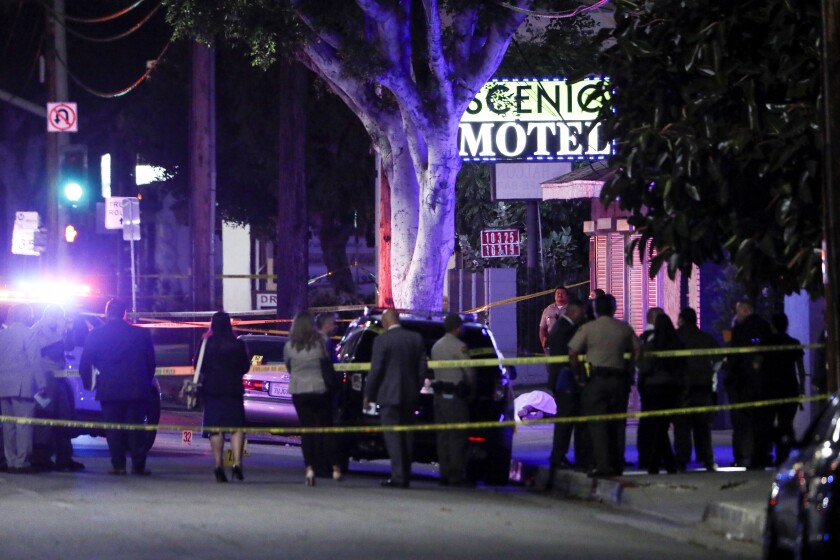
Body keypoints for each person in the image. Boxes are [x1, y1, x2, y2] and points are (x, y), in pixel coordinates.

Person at [79, 299, 156, 476]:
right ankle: (138, 466)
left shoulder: (95, 335)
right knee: (136, 429)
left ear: (106, 313)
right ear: (125, 313)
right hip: (136, 390)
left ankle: (118, 466)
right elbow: (151, 362)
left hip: (109, 390)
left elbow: (84, 364)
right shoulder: (141, 334)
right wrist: (145, 381)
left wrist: (90, 384)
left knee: (113, 431)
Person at [568, 295, 640, 477]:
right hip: (618, 380)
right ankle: (617, 464)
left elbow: (573, 352)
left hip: (596, 381)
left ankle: (602, 465)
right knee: (617, 424)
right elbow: (638, 350)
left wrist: (578, 376)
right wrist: (629, 369)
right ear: (613, 309)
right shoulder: (623, 328)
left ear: (595, 309)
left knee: (597, 425)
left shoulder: (588, 328)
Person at [363, 309, 428, 488]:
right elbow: (423, 368)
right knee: (407, 436)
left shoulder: (382, 340)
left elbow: (376, 370)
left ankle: (398, 476)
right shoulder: (415, 338)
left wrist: (369, 394)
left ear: (385, 322)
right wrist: (416, 387)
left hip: (388, 396)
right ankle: (405, 473)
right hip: (409, 395)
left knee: (392, 437)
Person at [285, 311, 343, 486]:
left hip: (300, 392)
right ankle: (335, 468)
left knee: (307, 431)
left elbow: (289, 367)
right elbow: (327, 363)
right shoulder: (321, 343)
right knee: (327, 430)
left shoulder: (289, 345)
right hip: (319, 390)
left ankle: (309, 469)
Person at [30, 305, 85, 472]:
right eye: (60, 316)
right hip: (45, 379)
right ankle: (40, 458)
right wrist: (62, 335)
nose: (62, 319)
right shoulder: (39, 330)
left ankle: (64, 457)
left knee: (64, 417)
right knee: (44, 416)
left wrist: (69, 330)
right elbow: (53, 352)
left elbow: (68, 347)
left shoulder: (57, 329)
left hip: (59, 378)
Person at [198, 311, 251, 483]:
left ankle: (218, 465)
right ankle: (236, 464)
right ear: (229, 324)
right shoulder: (238, 344)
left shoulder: (206, 343)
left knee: (215, 428)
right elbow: (245, 367)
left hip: (212, 389)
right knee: (236, 428)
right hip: (233, 389)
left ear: (212, 324)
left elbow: (199, 366)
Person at [724, 299, 772, 469]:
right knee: (761, 421)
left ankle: (742, 455)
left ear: (745, 310)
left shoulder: (739, 329)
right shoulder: (764, 326)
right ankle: (762, 455)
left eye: (738, 311)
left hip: (742, 383)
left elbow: (734, 356)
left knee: (742, 423)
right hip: (762, 383)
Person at [430, 314, 475, 486]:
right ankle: (455, 475)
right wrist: (471, 389)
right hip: (455, 396)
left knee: (443, 437)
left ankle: (444, 472)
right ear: (457, 328)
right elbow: (469, 372)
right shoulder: (460, 347)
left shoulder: (436, 346)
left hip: (439, 396)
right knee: (458, 436)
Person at [546, 299, 591, 471]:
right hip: (565, 382)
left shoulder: (561, 327)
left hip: (562, 381)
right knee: (565, 422)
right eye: (582, 312)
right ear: (575, 312)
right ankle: (558, 456)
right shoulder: (565, 329)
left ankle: (563, 456)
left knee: (568, 420)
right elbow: (569, 354)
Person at [0, 304, 45, 474]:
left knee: (8, 425)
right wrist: (41, 383)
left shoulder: (2, 334)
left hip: (3, 386)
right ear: (26, 316)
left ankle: (10, 460)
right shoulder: (29, 333)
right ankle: (22, 461)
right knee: (24, 424)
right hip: (22, 386)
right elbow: (35, 360)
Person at [638, 314, 684, 474]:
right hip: (672, 389)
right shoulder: (678, 344)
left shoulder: (652, 343)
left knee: (657, 427)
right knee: (662, 426)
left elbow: (644, 366)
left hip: (653, 388)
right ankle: (667, 462)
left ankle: (657, 463)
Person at [675, 307, 719, 472]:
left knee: (682, 426)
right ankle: (707, 460)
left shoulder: (676, 337)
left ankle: (681, 460)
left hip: (682, 388)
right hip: (703, 386)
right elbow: (719, 358)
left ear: (682, 320)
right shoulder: (705, 337)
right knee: (703, 426)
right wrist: (710, 372)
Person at [764, 312, 806, 466]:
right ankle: (783, 456)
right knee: (786, 424)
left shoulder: (766, 343)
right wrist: (801, 389)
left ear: (773, 326)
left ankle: (767, 455)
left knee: (767, 423)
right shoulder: (794, 343)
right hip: (790, 388)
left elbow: (758, 365)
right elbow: (801, 370)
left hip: (770, 389)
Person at [636, 307, 664, 471]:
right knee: (655, 422)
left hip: (646, 382)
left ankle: (648, 455)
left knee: (648, 421)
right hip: (655, 383)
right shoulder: (654, 337)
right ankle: (654, 457)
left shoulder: (643, 337)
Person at [539, 287, 569, 351]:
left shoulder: (572, 309)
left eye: (562, 293)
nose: (560, 295)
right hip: (551, 344)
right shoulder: (547, 310)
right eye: (558, 293)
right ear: (554, 296)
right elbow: (542, 329)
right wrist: (543, 344)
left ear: (567, 296)